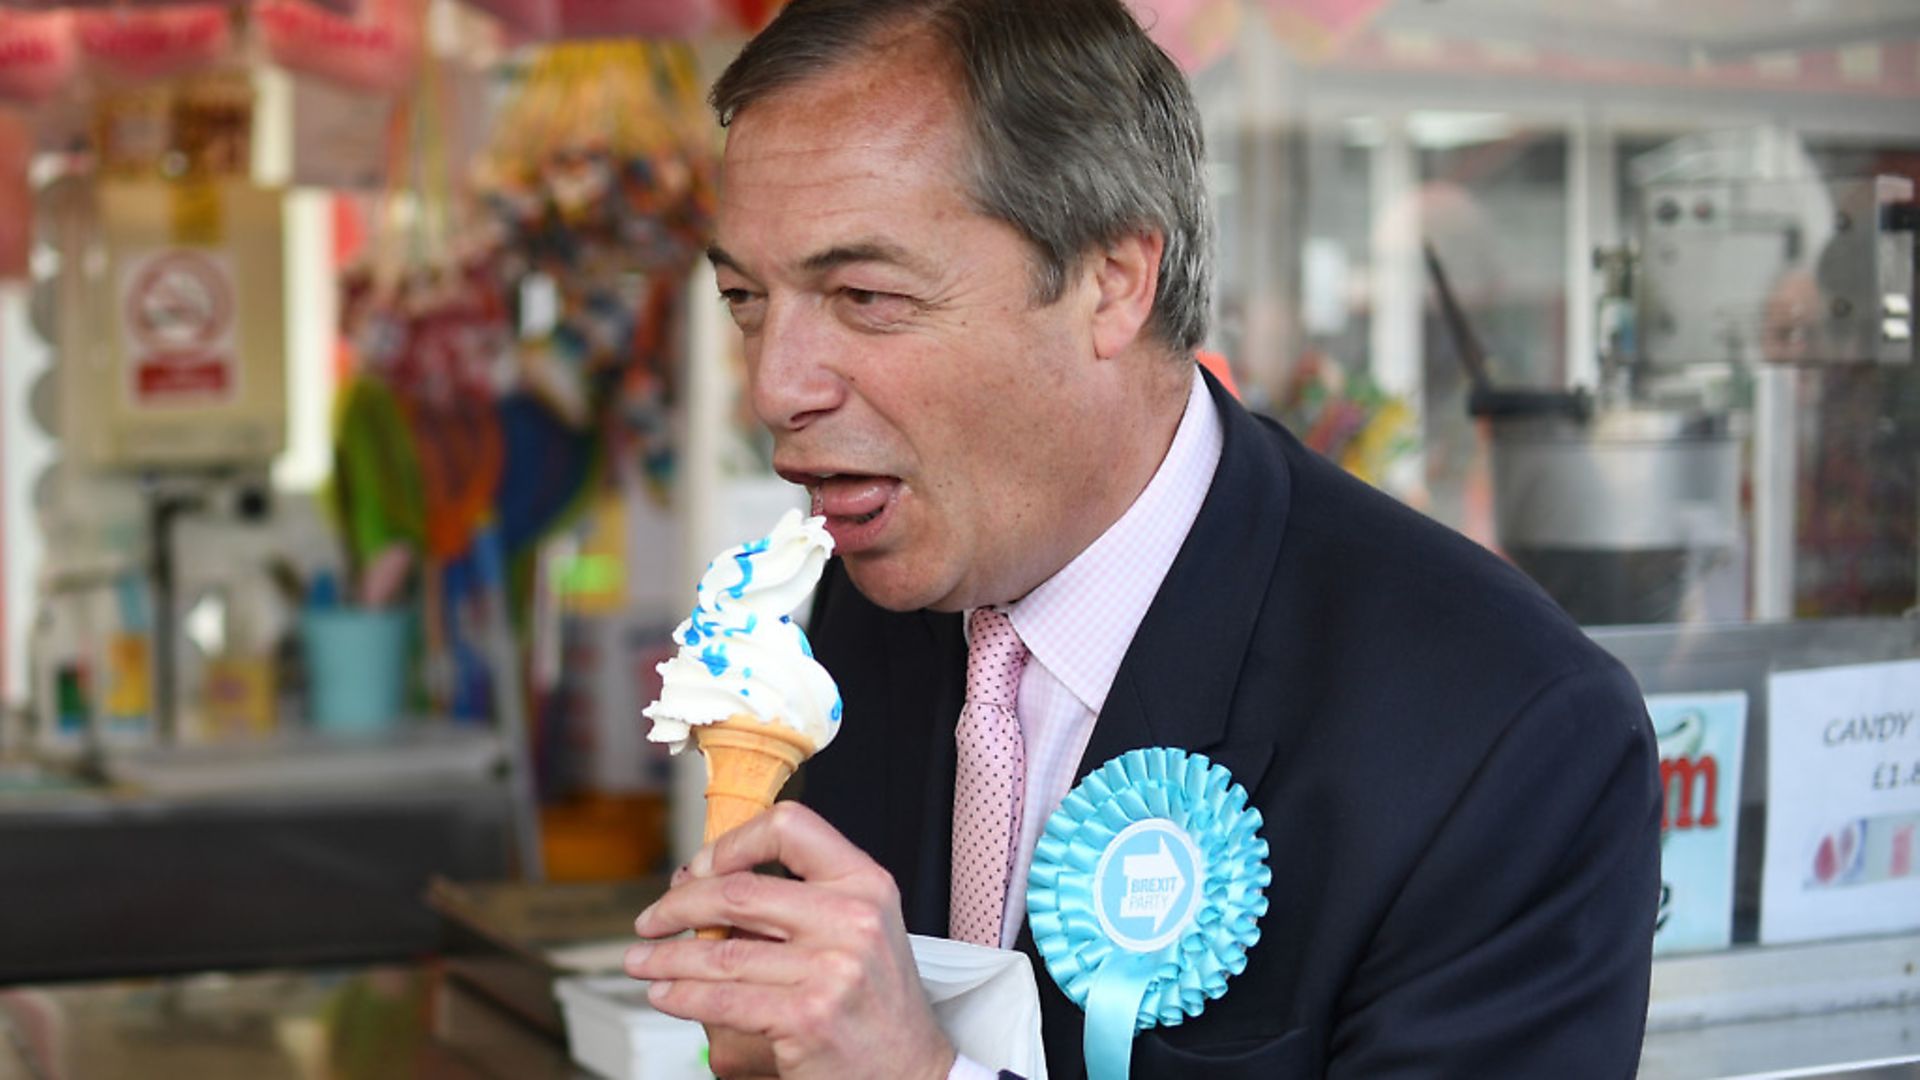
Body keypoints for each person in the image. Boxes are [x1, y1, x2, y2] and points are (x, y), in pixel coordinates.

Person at [624, 1, 1661, 1077]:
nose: (775, 387)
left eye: (865, 295)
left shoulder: (1506, 735)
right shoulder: (863, 602)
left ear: (1114, 282)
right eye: (747, 299)